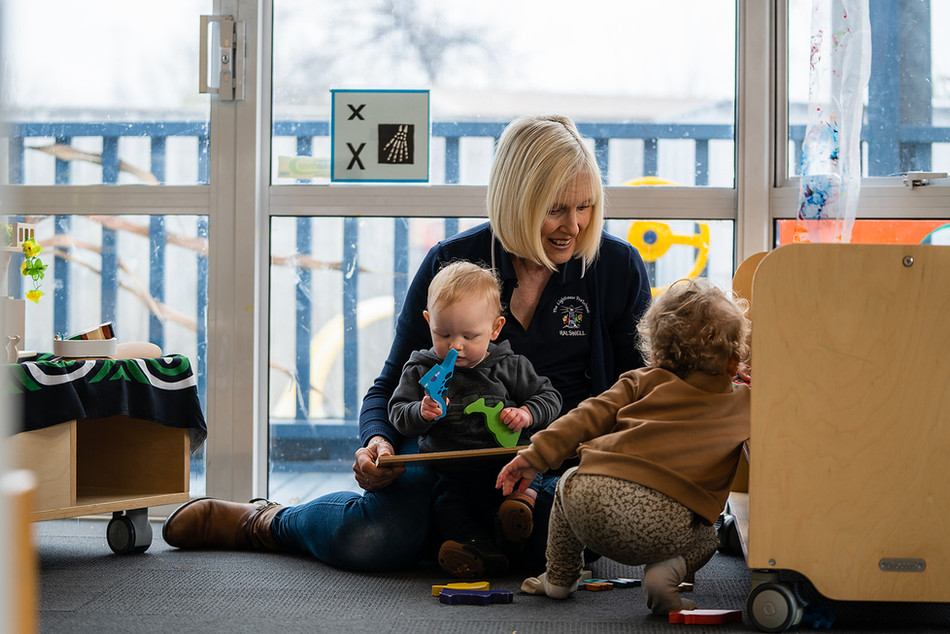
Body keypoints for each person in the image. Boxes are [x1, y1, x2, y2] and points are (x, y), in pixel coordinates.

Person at [162, 114, 652, 573]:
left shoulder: (615, 268)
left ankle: (444, 536)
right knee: (373, 537)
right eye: (556, 210)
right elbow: (389, 384)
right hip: (445, 456)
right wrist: (376, 443)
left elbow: (641, 395)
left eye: (585, 206)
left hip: (550, 462)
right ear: (515, 200)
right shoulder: (451, 263)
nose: (575, 225)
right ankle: (265, 522)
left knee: (551, 546)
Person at [496, 278, 751, 615]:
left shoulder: (640, 380)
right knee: (707, 534)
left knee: (565, 484)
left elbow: (586, 416)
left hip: (591, 496)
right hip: (664, 525)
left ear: (656, 353)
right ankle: (666, 575)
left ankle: (559, 577)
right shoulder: (746, 404)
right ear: (734, 362)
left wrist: (536, 455)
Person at [388, 261, 562, 578]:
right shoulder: (420, 368)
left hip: (507, 463)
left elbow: (550, 398)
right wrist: (420, 412)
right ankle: (478, 549)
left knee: (531, 472)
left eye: (470, 335)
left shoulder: (509, 365)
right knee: (448, 508)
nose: (456, 345)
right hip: (452, 471)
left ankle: (520, 508)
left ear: (495, 328)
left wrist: (526, 413)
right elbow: (398, 412)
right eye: (443, 333)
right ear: (428, 322)